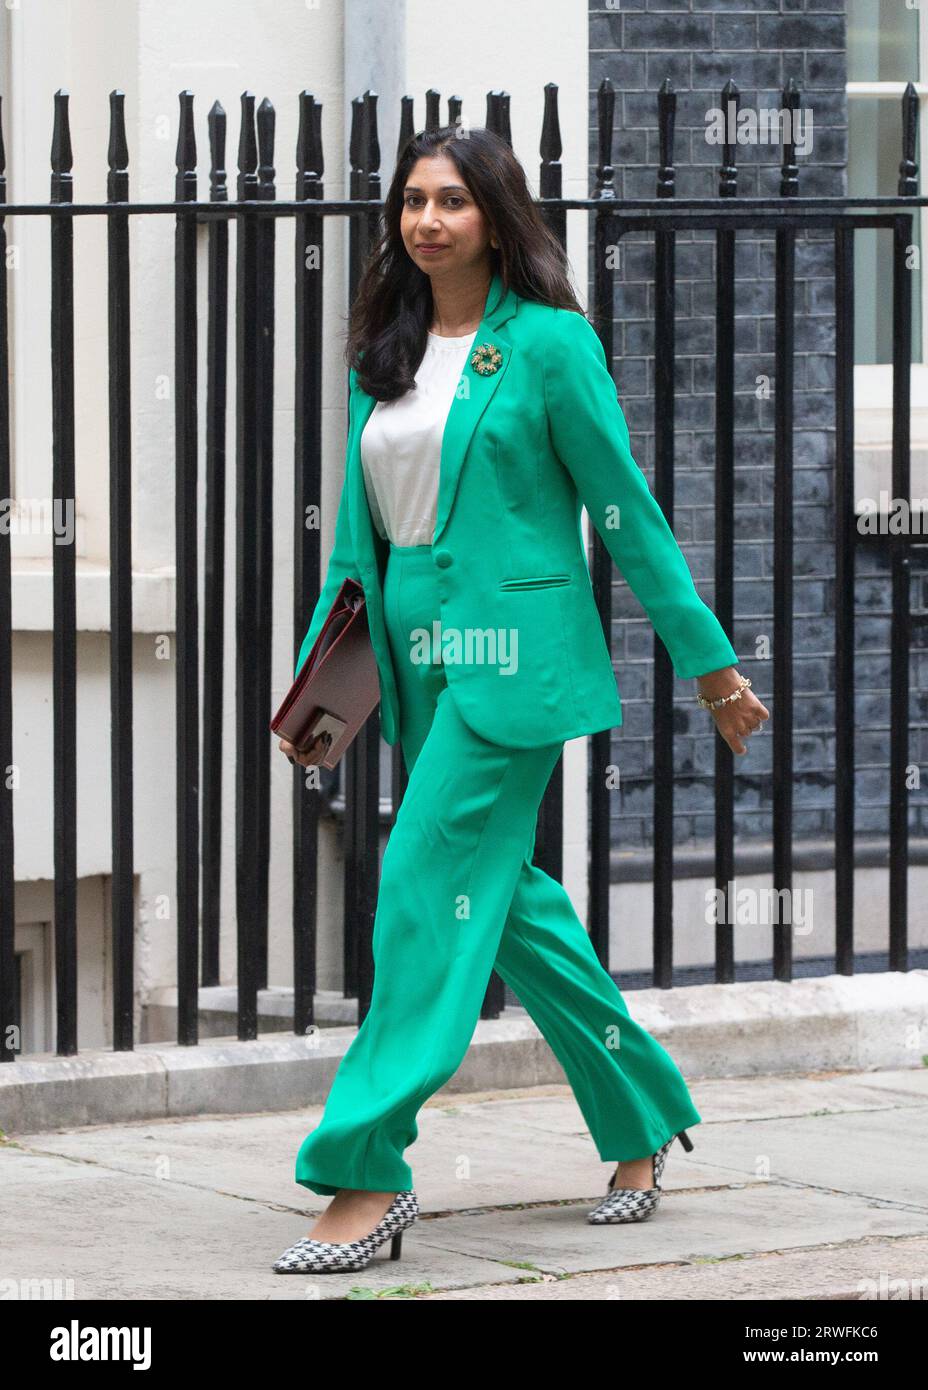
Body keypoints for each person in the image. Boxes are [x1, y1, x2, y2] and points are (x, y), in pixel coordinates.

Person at [273, 125, 769, 1274]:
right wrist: (320, 688)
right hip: (416, 660)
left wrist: (708, 661)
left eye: (451, 200)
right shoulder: (382, 356)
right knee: (504, 906)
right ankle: (641, 1111)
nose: (427, 220)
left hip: (512, 662)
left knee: (418, 878)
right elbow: (360, 545)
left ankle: (365, 1168)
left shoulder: (548, 345)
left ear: (495, 218)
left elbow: (625, 510)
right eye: (411, 202)